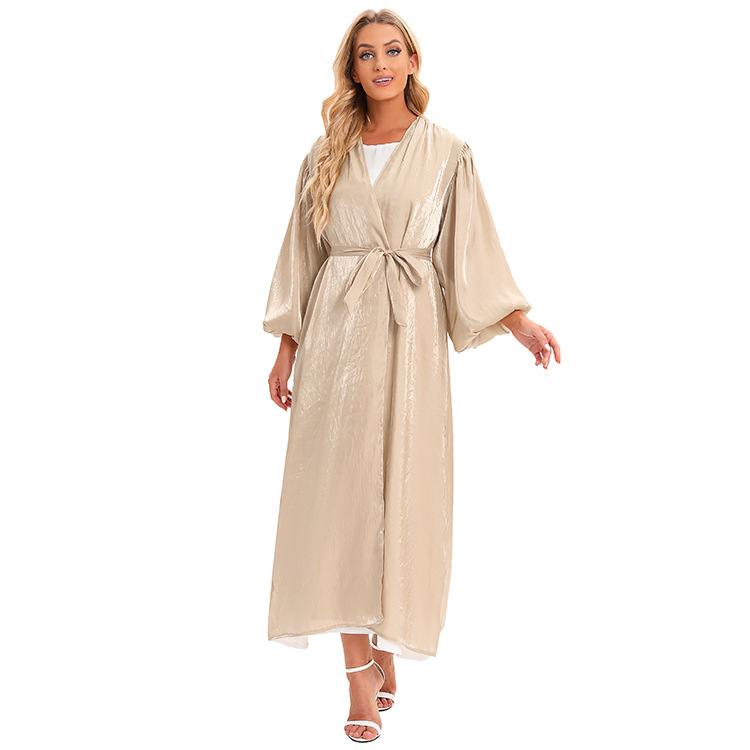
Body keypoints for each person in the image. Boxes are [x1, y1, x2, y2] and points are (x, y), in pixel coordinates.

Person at [263, 8, 561, 742]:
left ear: (413, 60)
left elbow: (470, 247)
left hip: (411, 341)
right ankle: (358, 677)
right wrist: (286, 347)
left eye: (393, 51)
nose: (381, 64)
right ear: (352, 68)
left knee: (403, 493)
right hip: (335, 341)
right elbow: (301, 254)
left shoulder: (448, 151)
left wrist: (517, 321)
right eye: (366, 54)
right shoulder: (324, 153)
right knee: (335, 503)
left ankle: (388, 637)